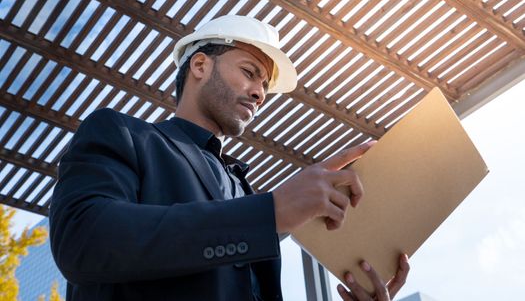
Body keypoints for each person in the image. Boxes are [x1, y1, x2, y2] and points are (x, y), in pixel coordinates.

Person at [50, 15, 409, 301]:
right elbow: (83, 238)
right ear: (201, 66)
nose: (259, 93)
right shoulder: (123, 134)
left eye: (265, 86)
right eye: (250, 72)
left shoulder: (247, 192)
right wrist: (268, 214)